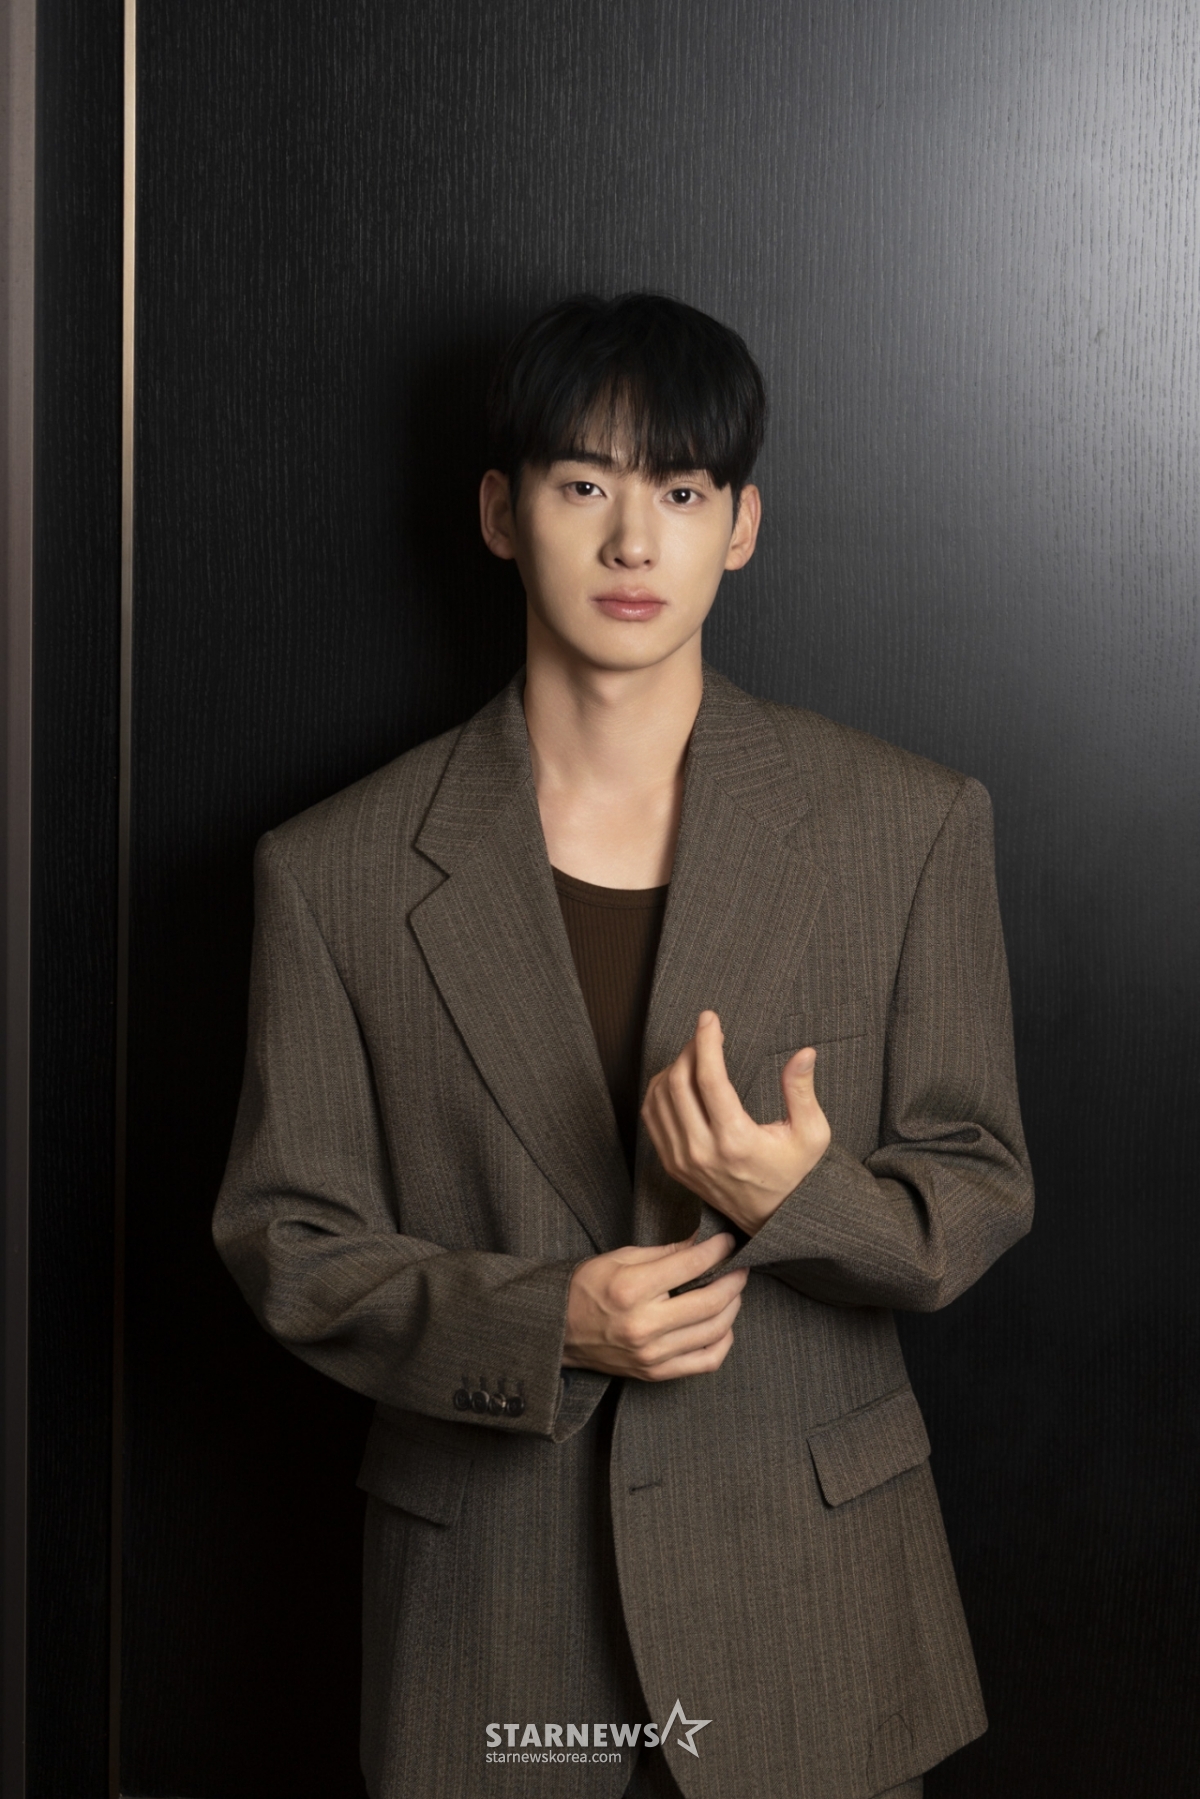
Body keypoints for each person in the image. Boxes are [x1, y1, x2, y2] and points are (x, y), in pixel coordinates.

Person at [213, 292, 1033, 1799]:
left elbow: (978, 1183)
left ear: (743, 526)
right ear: (500, 513)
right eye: (585, 484)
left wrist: (800, 1200)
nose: (634, 541)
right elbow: (290, 1244)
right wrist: (548, 1325)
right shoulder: (332, 870)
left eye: (683, 492)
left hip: (809, 1623)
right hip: (492, 1637)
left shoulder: (907, 825)